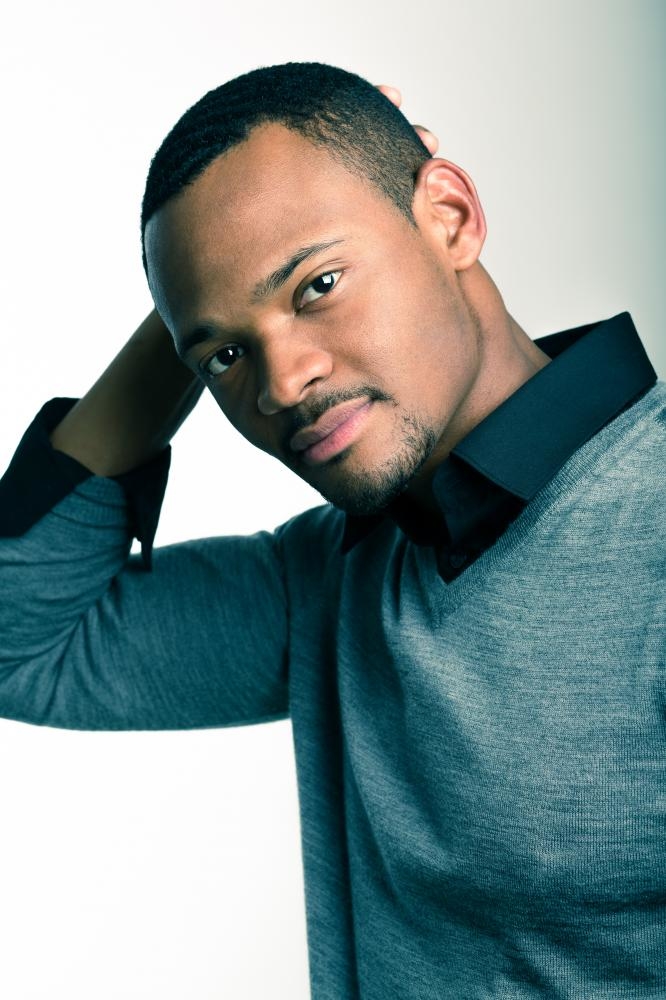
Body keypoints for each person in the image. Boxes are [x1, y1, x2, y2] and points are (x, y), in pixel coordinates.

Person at [0, 61, 664, 998]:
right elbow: (18, 642)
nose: (280, 385)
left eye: (317, 285)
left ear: (451, 219)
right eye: (228, 357)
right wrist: (202, 293)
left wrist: (231, 288)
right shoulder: (333, 578)